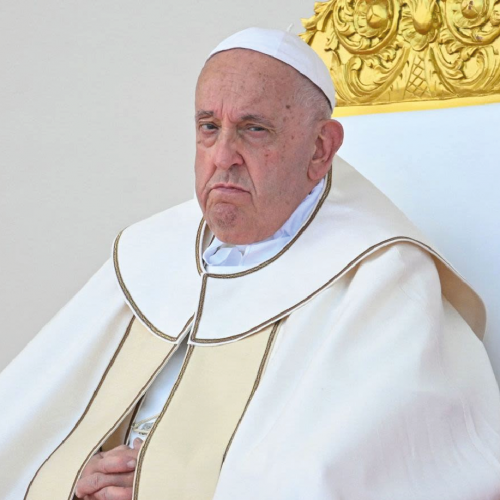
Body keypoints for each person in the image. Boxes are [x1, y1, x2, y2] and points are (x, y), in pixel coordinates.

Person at [1, 27, 500, 500]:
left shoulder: (383, 279)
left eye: (253, 129)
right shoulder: (149, 251)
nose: (223, 156)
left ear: (320, 149)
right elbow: (28, 427)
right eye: (209, 127)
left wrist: (167, 487)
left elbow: (376, 470)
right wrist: (71, 473)